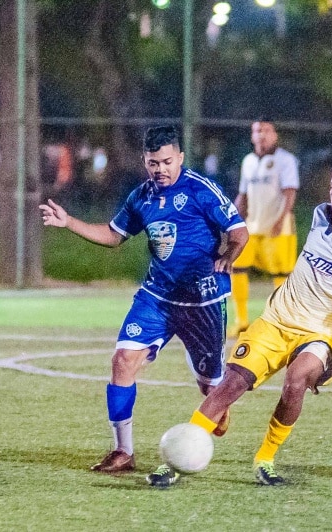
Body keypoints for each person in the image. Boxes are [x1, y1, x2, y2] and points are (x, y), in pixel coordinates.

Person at [146, 157, 332, 488]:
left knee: (296, 379)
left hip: (320, 334)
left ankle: (266, 459)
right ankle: (175, 463)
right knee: (229, 385)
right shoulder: (320, 215)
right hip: (275, 321)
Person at [39, 126, 249, 473]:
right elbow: (113, 234)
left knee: (211, 390)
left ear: (180, 157)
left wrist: (230, 255)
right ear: (145, 161)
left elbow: (239, 231)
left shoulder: (201, 190)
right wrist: (69, 222)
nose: (160, 169)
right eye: (153, 163)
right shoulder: (141, 197)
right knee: (122, 360)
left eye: (167, 161)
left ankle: (213, 396)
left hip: (203, 303)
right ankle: (123, 452)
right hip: (157, 296)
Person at [229, 120, 300, 338]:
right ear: (252, 135)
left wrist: (280, 220)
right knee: (237, 268)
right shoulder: (248, 161)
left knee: (282, 275)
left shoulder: (285, 160)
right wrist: (231, 219)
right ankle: (241, 321)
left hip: (279, 229)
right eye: (258, 131)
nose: (262, 135)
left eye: (267, 131)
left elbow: (289, 192)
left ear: (275, 135)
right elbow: (244, 194)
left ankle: (286, 321)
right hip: (252, 226)